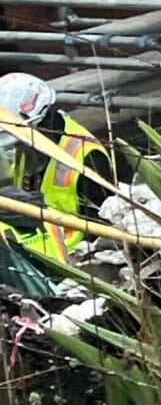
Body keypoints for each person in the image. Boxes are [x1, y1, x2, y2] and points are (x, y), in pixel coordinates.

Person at [0, 72, 111, 272]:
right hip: (36, 248)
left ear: (39, 123)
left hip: (72, 260)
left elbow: (103, 228)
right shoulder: (28, 145)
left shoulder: (86, 157)